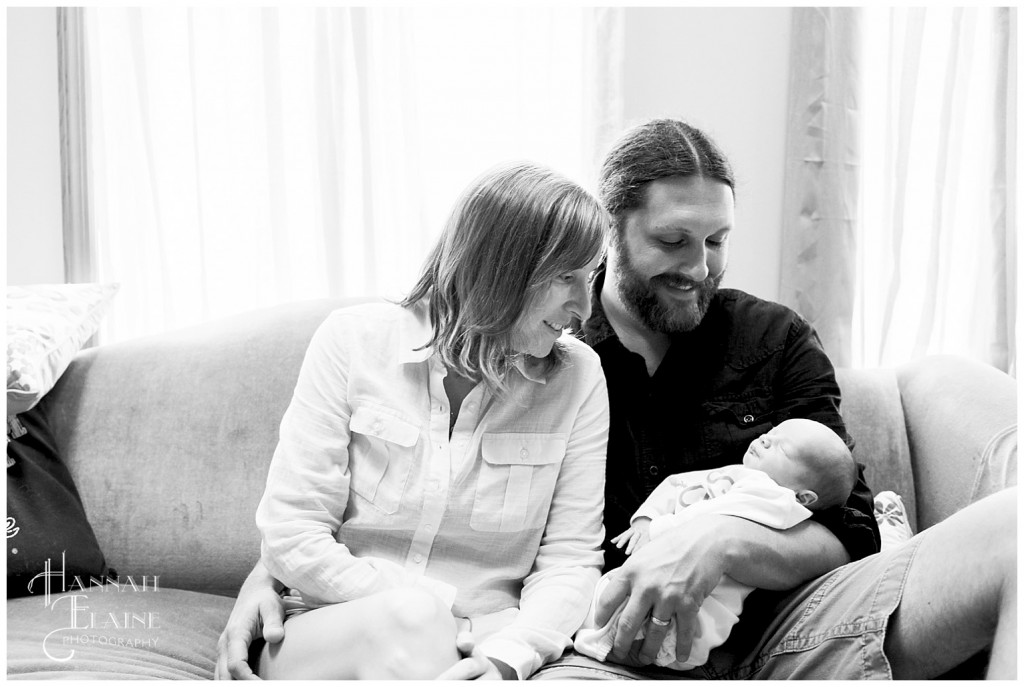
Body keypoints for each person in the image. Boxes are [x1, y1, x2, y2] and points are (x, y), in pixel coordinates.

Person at [216, 119, 1017, 680]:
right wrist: (274, 573)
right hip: (619, 644)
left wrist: (722, 544)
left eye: (717, 240)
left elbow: (848, 528)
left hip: (798, 624)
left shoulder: (772, 339)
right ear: (612, 233)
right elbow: (358, 500)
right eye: (673, 240)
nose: (701, 266)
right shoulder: (551, 351)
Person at [247, 161, 611, 680]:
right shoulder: (352, 342)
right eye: (565, 277)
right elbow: (291, 533)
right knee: (412, 618)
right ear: (501, 267)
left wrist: (509, 657)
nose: (584, 307)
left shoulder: (579, 378)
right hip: (331, 628)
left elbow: (571, 560)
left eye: (591, 276)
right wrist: (443, 616)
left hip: (482, 648)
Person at [574, 418, 857, 670]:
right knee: (603, 606)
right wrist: (646, 520)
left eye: (783, 448)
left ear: (805, 497)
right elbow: (677, 485)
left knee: (650, 625)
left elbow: (705, 520)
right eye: (772, 432)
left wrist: (659, 528)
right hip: (655, 573)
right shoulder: (738, 476)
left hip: (708, 602)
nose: (766, 438)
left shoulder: (779, 500)